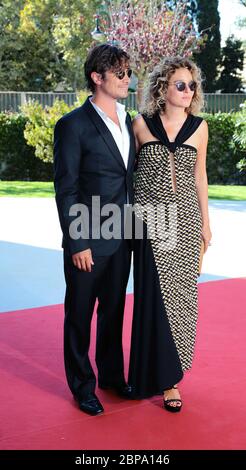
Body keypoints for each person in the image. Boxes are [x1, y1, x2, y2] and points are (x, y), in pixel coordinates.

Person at [54, 44, 136, 415]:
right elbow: (67, 188)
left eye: (128, 72)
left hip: (122, 237)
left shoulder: (129, 119)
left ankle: (111, 378)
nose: (127, 79)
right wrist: (78, 242)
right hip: (88, 239)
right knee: (80, 315)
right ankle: (82, 387)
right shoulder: (72, 125)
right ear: (97, 77)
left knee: (114, 312)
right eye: (120, 73)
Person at [128, 56, 212, 412]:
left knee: (180, 301)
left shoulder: (200, 127)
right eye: (181, 85)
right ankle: (148, 375)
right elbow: (129, 178)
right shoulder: (140, 125)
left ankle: (171, 381)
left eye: (192, 86)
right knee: (151, 299)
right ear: (162, 87)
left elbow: (200, 177)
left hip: (187, 221)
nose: (188, 92)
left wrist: (206, 225)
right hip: (150, 223)